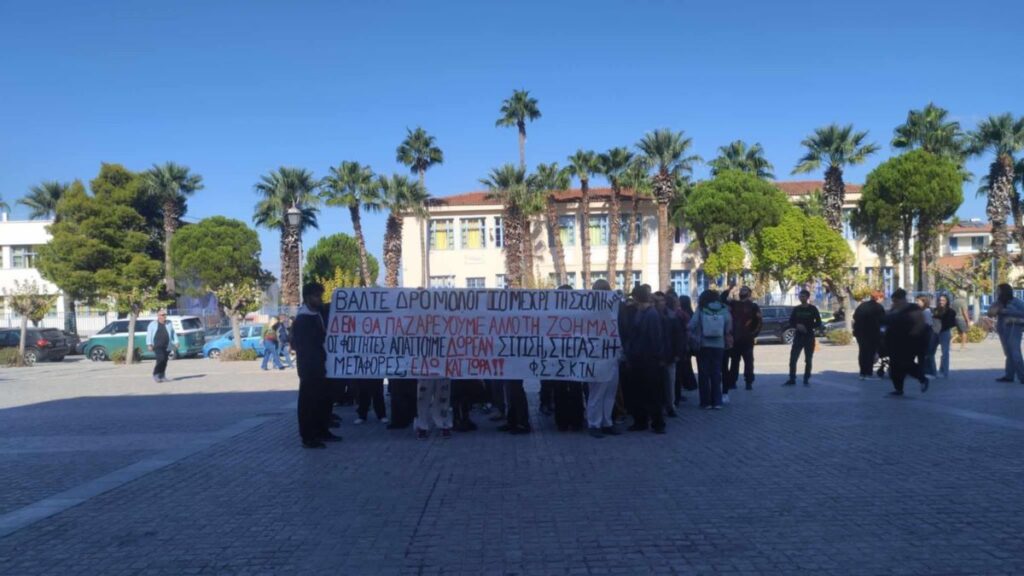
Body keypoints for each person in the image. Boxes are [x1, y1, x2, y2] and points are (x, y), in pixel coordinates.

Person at [292, 282, 341, 448]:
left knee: (324, 400)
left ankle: (322, 430)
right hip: (310, 368)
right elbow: (302, 346)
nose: (320, 299)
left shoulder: (317, 313)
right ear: (307, 298)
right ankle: (308, 436)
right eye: (316, 296)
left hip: (323, 366)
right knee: (309, 403)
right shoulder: (303, 319)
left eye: (320, 296)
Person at [625, 284, 666, 433]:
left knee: (652, 393)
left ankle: (657, 423)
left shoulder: (651, 314)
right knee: (639, 392)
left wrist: (656, 358)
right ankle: (640, 421)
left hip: (648, 360)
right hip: (638, 358)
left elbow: (655, 339)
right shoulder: (640, 312)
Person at [586, 279, 621, 438]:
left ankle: (607, 422)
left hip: (612, 355)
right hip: (596, 356)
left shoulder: (615, 308)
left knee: (609, 392)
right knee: (597, 392)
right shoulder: (588, 309)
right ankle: (594, 423)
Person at [690, 289, 733, 410]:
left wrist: (693, 336)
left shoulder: (701, 309)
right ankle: (717, 401)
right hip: (719, 346)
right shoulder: (724, 309)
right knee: (716, 373)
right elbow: (729, 326)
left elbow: (692, 324)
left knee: (703, 374)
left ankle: (705, 402)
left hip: (704, 345)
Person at [884, 289, 930, 396]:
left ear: (903, 299)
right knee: (895, 366)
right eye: (894, 301)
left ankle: (922, 379)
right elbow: (887, 321)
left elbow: (920, 324)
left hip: (909, 342)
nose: (895, 303)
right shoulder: (894, 309)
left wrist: (913, 336)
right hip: (895, 343)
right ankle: (898, 389)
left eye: (896, 301)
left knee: (906, 364)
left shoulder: (913, 308)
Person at [723, 285, 762, 393]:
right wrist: (729, 289)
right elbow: (723, 301)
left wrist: (753, 334)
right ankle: (732, 382)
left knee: (748, 361)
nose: (742, 292)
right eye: (741, 290)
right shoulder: (734, 304)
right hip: (735, 338)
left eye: (745, 290)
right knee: (734, 361)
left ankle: (748, 382)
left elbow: (758, 321)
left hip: (747, 339)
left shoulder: (753, 307)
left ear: (749, 293)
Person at [784, 289, 822, 387]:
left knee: (808, 359)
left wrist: (808, 327)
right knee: (793, 359)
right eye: (800, 296)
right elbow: (791, 321)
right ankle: (792, 378)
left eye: (803, 296)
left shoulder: (813, 309)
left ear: (807, 297)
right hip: (798, 337)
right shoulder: (796, 309)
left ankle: (806, 378)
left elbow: (818, 322)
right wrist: (797, 326)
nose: (801, 298)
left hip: (809, 337)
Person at [993, 283, 1024, 383]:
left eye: (999, 290)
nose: (997, 292)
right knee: (1008, 353)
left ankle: (1022, 376)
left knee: (1015, 353)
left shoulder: (1016, 302)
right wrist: (995, 310)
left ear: (1004, 291)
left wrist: (1007, 311)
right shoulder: (998, 302)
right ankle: (1009, 375)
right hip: (1002, 329)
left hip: (1014, 328)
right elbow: (990, 312)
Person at [853, 290, 886, 380]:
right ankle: (868, 372)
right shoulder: (878, 307)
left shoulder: (862, 306)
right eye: (882, 298)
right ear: (878, 297)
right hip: (872, 333)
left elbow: (855, 317)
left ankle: (862, 373)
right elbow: (883, 320)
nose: (882, 300)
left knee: (862, 352)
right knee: (870, 352)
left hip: (860, 332)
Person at [145, 310, 178, 383]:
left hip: (167, 345)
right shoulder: (152, 324)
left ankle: (162, 375)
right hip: (157, 345)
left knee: (165, 361)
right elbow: (149, 335)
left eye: (165, 315)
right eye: (162, 315)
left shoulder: (169, 323)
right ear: (158, 316)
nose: (164, 316)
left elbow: (173, 333)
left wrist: (176, 341)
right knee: (161, 359)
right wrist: (149, 344)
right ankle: (156, 374)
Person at [675, 295, 697, 403]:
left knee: (683, 366)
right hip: (688, 344)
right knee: (687, 365)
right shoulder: (691, 313)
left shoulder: (681, 314)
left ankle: (687, 383)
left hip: (684, 344)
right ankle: (690, 383)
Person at [932, 294, 957, 379]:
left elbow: (952, 323)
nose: (941, 302)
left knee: (945, 353)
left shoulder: (951, 311)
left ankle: (944, 371)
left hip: (945, 332)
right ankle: (933, 371)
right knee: (931, 352)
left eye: (943, 300)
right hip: (935, 333)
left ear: (947, 302)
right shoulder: (935, 310)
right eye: (939, 300)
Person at [915, 295, 937, 376]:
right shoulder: (922, 311)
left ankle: (929, 371)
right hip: (923, 334)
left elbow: (928, 324)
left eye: (918, 301)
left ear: (924, 302)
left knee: (926, 354)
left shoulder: (926, 312)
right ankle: (923, 370)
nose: (917, 303)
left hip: (926, 335)